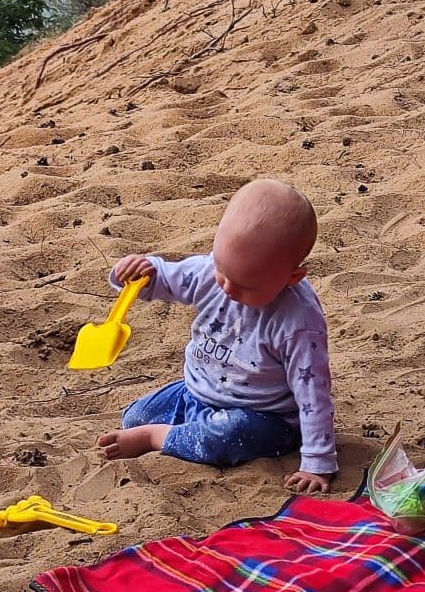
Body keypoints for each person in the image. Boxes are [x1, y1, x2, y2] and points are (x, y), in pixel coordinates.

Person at [96, 178, 335, 494]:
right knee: (135, 417)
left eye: (246, 286)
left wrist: (316, 462)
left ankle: (156, 437)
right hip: (197, 392)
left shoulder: (298, 322)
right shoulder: (212, 272)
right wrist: (138, 273)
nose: (228, 289)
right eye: (223, 270)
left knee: (228, 436)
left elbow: (313, 394)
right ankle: (169, 430)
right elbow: (166, 278)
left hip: (263, 417)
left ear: (292, 277)